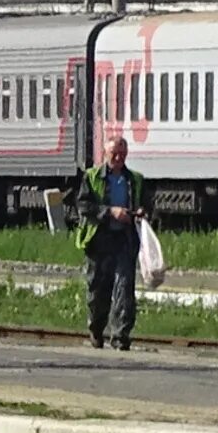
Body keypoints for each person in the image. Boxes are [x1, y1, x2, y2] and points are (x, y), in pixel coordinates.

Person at [75, 135, 148, 351]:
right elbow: (83, 206)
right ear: (105, 153)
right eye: (114, 154)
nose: (118, 158)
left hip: (125, 239)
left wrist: (142, 211)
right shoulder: (92, 176)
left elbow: (145, 203)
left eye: (122, 154)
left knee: (124, 288)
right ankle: (96, 329)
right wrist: (110, 212)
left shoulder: (135, 179)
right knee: (98, 289)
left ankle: (120, 337)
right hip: (99, 239)